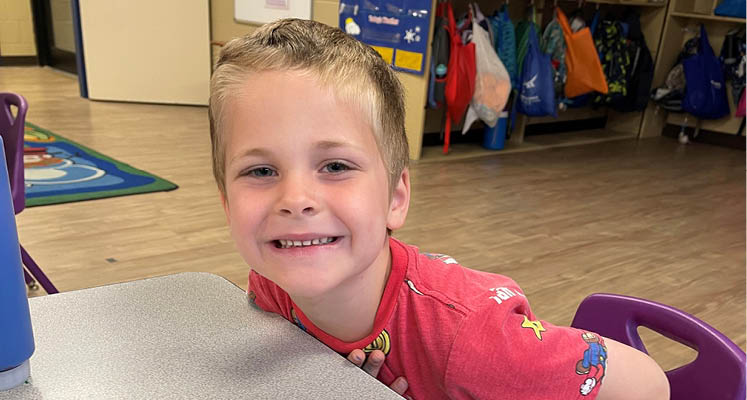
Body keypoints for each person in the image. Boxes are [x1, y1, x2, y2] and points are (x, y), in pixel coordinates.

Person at [209, 18, 670, 399]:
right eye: (260, 172)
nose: (295, 200)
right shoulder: (273, 284)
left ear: (395, 198)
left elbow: (649, 385)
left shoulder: (473, 339)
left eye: (334, 165)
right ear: (228, 203)